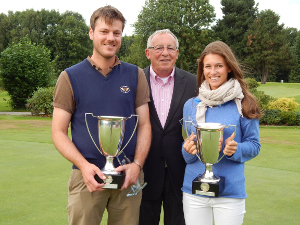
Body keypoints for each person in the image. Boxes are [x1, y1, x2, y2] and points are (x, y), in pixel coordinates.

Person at [51, 5, 151, 225]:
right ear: (91, 33)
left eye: (116, 33)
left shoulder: (135, 75)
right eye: (104, 31)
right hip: (86, 176)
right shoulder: (70, 77)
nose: (111, 38)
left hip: (128, 177)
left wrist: (137, 165)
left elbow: (144, 125)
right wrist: (84, 166)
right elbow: (58, 132)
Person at [181, 41, 261, 225]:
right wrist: (187, 148)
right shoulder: (192, 105)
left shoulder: (245, 103)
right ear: (202, 69)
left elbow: (254, 145)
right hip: (194, 191)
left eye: (219, 66)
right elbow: (186, 152)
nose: (213, 72)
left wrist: (235, 149)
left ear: (229, 68)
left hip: (230, 194)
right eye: (208, 66)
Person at [139, 29, 197, 225]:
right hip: (144, 174)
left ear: (177, 53)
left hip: (181, 174)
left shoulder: (194, 83)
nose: (165, 53)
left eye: (170, 48)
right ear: (148, 53)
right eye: (158, 48)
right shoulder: (134, 80)